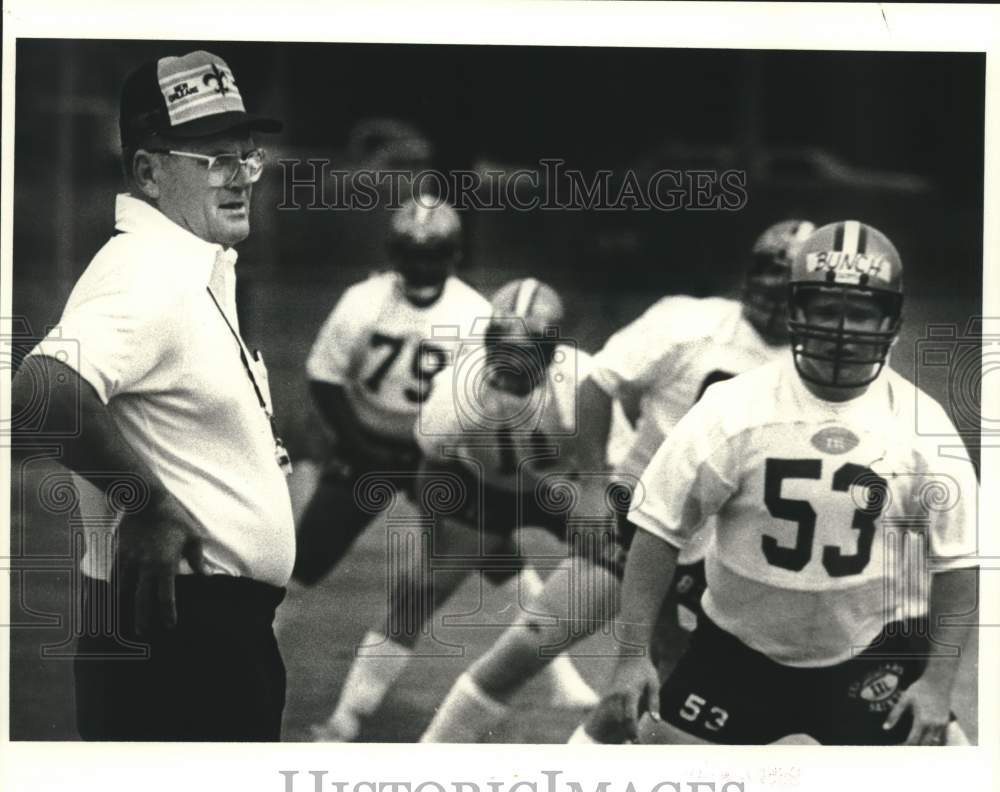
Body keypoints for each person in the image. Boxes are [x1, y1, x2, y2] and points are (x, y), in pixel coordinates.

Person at [420, 220, 814, 743]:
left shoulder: (817, 371)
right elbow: (598, 383)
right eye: (768, 279)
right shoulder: (689, 323)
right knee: (525, 650)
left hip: (726, 546)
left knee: (666, 698)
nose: (774, 298)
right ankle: (429, 763)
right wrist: (592, 484)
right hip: (643, 520)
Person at [603, 220, 978, 745]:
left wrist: (938, 684)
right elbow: (657, 530)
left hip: (863, 651)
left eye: (861, 312)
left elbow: (959, 561)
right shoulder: (734, 408)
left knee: (954, 783)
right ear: (796, 311)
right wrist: (630, 656)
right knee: (668, 779)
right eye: (827, 310)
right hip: (735, 651)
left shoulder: (921, 423)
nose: (843, 330)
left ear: (890, 321)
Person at [11, 50, 293, 741]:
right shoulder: (149, 271)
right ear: (147, 170)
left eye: (247, 157)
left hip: (200, 631)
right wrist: (151, 504)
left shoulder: (190, 264)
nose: (240, 179)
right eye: (214, 161)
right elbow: (42, 392)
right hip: (174, 634)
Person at [311, 277, 617, 742]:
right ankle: (345, 721)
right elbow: (432, 460)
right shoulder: (458, 385)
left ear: (551, 350)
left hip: (561, 488)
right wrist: (440, 534)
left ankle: (640, 693)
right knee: (420, 590)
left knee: (628, 567)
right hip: (482, 485)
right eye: (502, 347)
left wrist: (590, 495)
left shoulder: (582, 380)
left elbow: (614, 456)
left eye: (526, 350)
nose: (511, 364)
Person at [293, 196, 491, 586]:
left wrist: (447, 454)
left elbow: (478, 400)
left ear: (455, 255)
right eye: (410, 254)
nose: (420, 266)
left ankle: (550, 637)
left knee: (491, 549)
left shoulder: (474, 313)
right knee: (304, 562)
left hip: (436, 452)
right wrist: (357, 446)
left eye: (433, 254)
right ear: (392, 253)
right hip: (364, 442)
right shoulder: (363, 299)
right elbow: (324, 376)